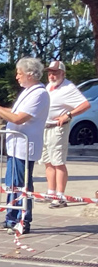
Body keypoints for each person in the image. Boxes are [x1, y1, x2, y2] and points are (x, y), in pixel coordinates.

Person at [0, 57, 50, 234]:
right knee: (12, 183)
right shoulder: (28, 91)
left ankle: (22, 219)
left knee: (22, 184)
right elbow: (13, 113)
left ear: (30, 74)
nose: (17, 77)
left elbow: (18, 118)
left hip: (24, 148)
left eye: (19, 73)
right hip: (15, 146)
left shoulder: (39, 94)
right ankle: (11, 217)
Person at [35, 60, 91, 208]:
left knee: (58, 162)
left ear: (63, 73)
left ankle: (60, 196)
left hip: (57, 128)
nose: (52, 76)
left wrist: (68, 115)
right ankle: (51, 192)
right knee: (47, 161)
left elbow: (85, 104)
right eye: (50, 73)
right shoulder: (50, 86)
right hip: (45, 127)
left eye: (55, 73)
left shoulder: (68, 87)